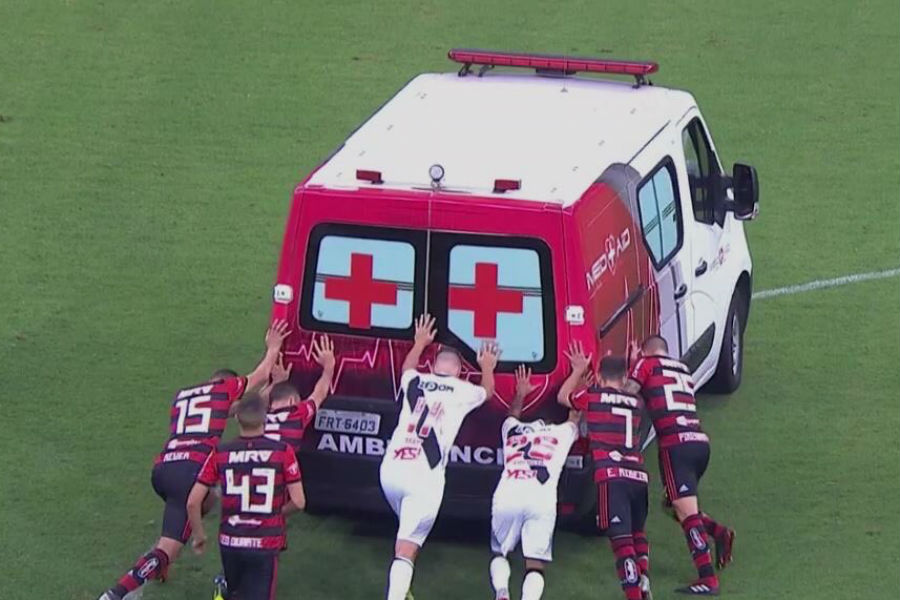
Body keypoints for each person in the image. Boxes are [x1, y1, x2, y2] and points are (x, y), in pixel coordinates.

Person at [96, 321, 290, 600]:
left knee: (195, 507)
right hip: (192, 471)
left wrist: (271, 388)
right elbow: (260, 374)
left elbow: (239, 410)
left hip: (164, 469)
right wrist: (273, 348)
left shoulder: (183, 396)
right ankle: (117, 594)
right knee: (172, 542)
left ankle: (161, 565)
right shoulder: (226, 388)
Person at [381, 313, 500, 600]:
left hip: (392, 468)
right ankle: (396, 593)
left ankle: (402, 588)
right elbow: (488, 392)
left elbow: (407, 368)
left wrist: (419, 343)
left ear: (433, 366)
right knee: (406, 546)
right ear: (458, 370)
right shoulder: (462, 390)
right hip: (424, 475)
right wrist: (487, 366)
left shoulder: (416, 380)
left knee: (407, 533)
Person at [625, 335, 734, 596]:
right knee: (673, 504)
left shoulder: (646, 364)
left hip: (675, 446)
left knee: (686, 514)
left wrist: (633, 365)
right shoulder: (682, 369)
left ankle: (708, 578)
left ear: (647, 352)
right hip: (699, 443)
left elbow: (626, 394)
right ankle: (718, 532)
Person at [186, 393, 306, 600]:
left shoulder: (220, 452)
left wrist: (199, 535)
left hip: (231, 541)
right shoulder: (282, 451)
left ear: (236, 418)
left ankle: (224, 590)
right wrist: (276, 513)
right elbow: (299, 501)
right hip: (265, 542)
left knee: (237, 593)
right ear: (265, 417)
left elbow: (192, 502)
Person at [558, 343, 652, 600]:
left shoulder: (592, 396)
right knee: (638, 531)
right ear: (624, 378)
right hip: (639, 475)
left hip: (612, 477)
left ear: (598, 377)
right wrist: (634, 362)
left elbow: (563, 397)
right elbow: (628, 388)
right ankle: (643, 578)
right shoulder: (637, 402)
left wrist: (578, 371)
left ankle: (634, 595)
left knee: (621, 543)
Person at [489, 365, 579, 600]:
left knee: (500, 552)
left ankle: (502, 592)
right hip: (541, 500)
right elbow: (575, 414)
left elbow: (512, 415)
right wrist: (578, 374)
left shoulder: (512, 430)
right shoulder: (560, 434)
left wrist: (521, 393)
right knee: (535, 564)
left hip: (509, 493)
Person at [263, 335, 336, 453]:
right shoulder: (297, 414)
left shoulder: (258, 416)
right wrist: (329, 367)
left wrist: (276, 382)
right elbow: (319, 394)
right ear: (291, 401)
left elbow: (254, 402)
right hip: (277, 463)